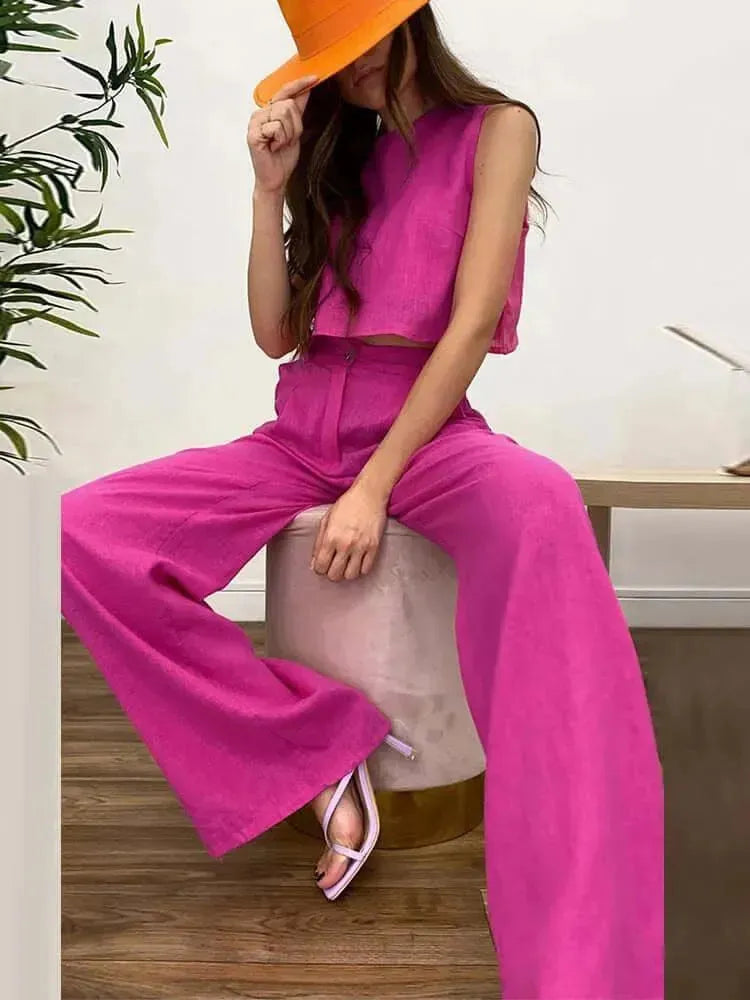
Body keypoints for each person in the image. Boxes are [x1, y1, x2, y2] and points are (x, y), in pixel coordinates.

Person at [61, 1, 664, 997]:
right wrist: (269, 192)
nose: (354, 73)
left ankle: (580, 949)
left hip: (425, 433)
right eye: (333, 61)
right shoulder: (342, 153)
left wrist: (375, 483)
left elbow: (470, 323)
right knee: (79, 534)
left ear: (410, 22)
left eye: (363, 44)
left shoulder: (499, 129)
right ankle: (315, 746)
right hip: (300, 431)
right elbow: (274, 333)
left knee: (544, 505)